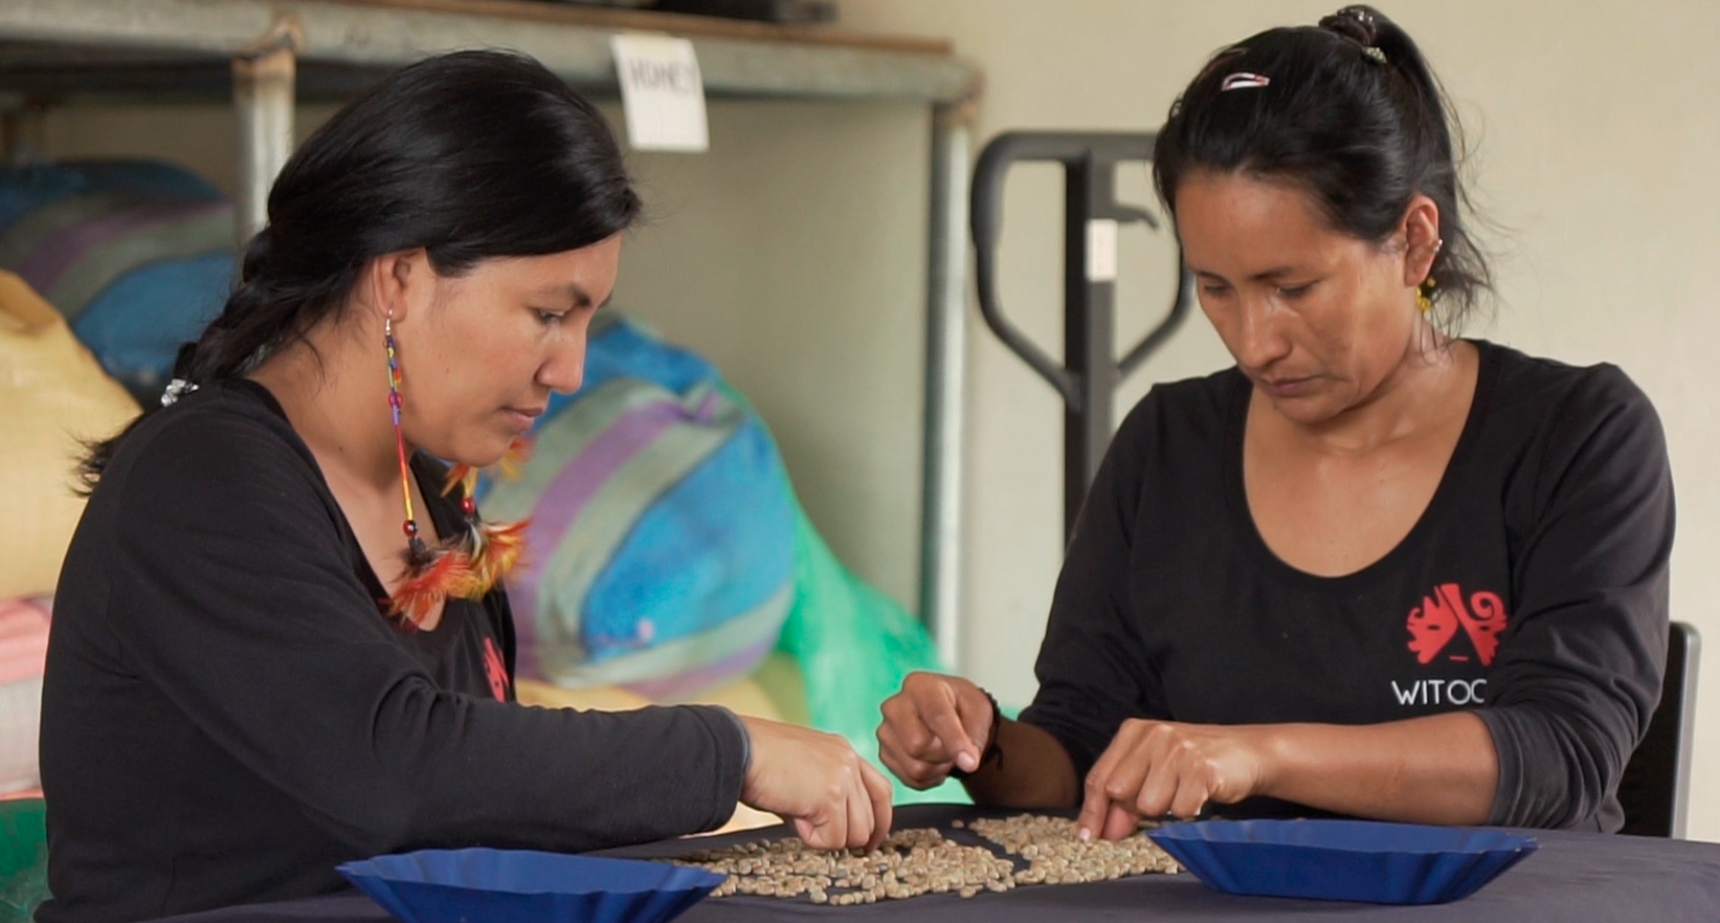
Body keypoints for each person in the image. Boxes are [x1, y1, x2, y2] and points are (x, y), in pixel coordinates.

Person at [39, 50, 892, 923]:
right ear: (400, 276)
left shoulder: (429, 497)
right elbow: (394, 769)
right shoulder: (202, 483)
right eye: (548, 314)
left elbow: (486, 810)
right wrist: (730, 750)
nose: (571, 369)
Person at [877, 5, 1672, 838]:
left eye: (1292, 287)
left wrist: (1254, 755)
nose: (1256, 342)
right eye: (1215, 287)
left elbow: (1561, 754)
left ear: (1413, 240)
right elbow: (1079, 746)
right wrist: (981, 742)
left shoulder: (1578, 437)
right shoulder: (1166, 445)